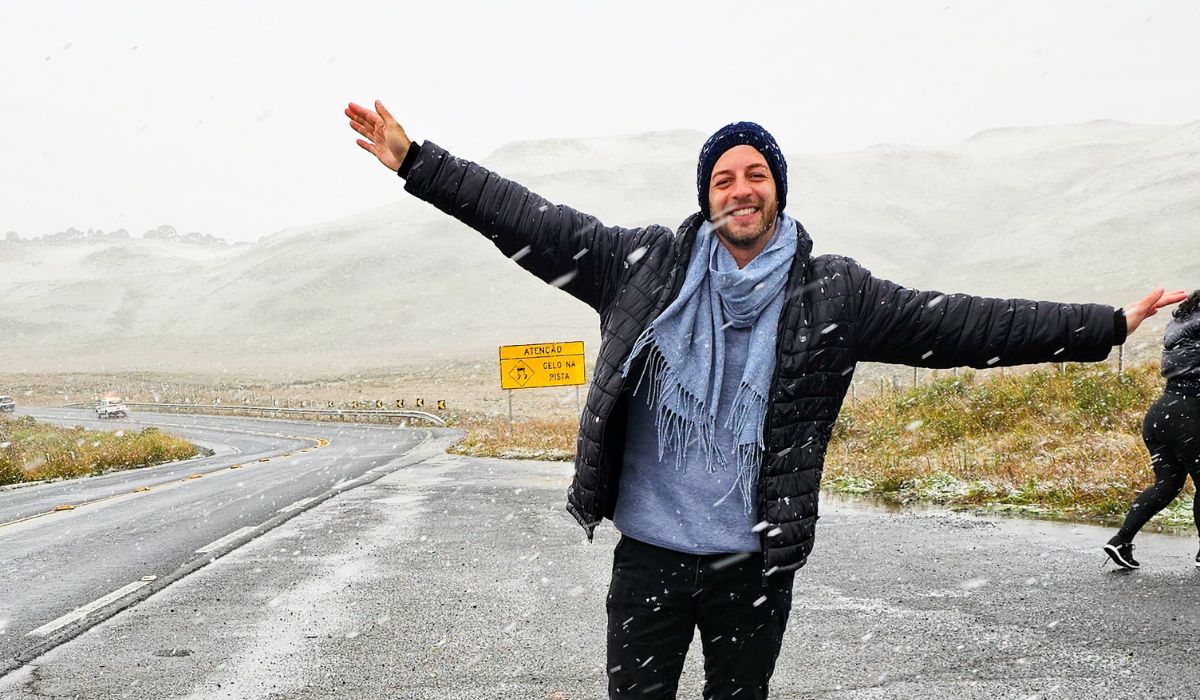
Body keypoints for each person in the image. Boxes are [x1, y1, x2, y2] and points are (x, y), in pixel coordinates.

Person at [345, 100, 1184, 699]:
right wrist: (420, 163)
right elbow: (526, 219)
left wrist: (1104, 324)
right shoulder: (643, 267)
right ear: (706, 195)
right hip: (649, 563)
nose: (739, 187)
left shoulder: (833, 295)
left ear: (776, 189)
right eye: (723, 176)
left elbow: (960, 324)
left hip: (753, 565)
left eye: (755, 174)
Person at [1104, 289, 1200, 570]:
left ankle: (1121, 540)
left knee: (1167, 483)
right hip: (1190, 414)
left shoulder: (1180, 326)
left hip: (1162, 413)